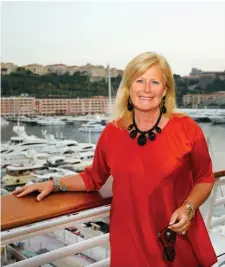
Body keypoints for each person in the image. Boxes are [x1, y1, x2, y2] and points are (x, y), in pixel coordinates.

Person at [13, 52, 217, 267]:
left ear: (165, 89)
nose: (146, 89)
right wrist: (53, 183)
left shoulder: (186, 129)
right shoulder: (112, 133)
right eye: (140, 80)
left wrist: (188, 208)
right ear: (129, 87)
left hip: (173, 238)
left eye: (155, 81)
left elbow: (204, 177)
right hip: (129, 241)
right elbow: (94, 178)